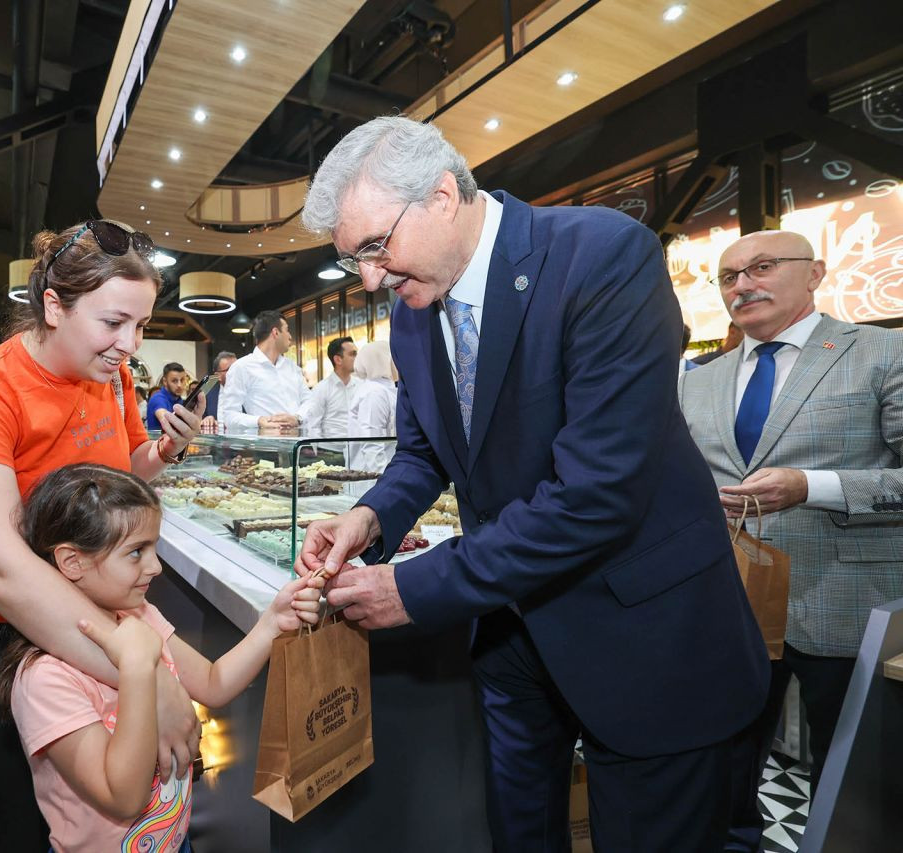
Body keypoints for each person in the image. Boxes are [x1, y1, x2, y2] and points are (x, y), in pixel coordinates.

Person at [296, 116, 769, 852]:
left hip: (645, 634)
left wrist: (411, 588)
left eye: (374, 246)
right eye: (352, 258)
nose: (368, 277)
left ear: (443, 196)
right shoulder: (413, 314)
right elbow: (425, 455)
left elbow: (597, 492)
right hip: (514, 639)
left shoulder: (601, 256)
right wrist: (368, 518)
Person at [0, 220, 204, 850]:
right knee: (22, 822)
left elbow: (121, 473)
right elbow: (0, 569)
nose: (130, 344)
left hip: (87, 613)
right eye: (113, 323)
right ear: (53, 305)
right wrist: (147, 674)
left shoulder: (111, 376)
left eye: (140, 325)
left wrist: (162, 452)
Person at [679, 230, 903, 852]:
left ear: (815, 272)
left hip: (848, 601)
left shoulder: (882, 353)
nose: (742, 285)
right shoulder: (700, 380)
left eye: (763, 266)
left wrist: (815, 486)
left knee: (860, 787)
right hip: (730, 603)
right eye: (727, 277)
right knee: (724, 768)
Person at [0, 463, 315, 853]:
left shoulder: (138, 615)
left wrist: (271, 624)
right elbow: (122, 797)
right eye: (136, 553)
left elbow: (213, 683)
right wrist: (137, 670)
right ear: (71, 561)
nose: (156, 567)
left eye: (154, 548)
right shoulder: (45, 678)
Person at [216, 310, 311, 432]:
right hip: (265, 445)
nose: (290, 336)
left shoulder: (292, 367)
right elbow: (229, 416)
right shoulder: (242, 367)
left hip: (300, 444)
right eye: (287, 330)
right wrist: (259, 421)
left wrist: (297, 418)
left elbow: (310, 401)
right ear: (275, 332)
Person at [346, 340, 396, 472]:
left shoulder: (385, 389)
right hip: (370, 478)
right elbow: (372, 445)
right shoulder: (374, 393)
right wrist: (384, 480)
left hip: (387, 472)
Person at [298, 336, 360, 437]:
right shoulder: (321, 389)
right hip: (330, 450)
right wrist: (319, 452)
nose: (357, 358)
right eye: (353, 354)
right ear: (338, 360)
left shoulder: (361, 386)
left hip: (357, 450)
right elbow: (313, 426)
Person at [144, 362, 188, 430]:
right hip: (158, 440)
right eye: (174, 381)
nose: (179, 385)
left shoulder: (179, 400)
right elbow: (167, 422)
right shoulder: (157, 399)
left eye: (182, 380)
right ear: (165, 381)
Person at [198, 351, 235, 431]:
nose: (237, 372)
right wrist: (205, 420)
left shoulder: (249, 393)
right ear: (218, 376)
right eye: (231, 369)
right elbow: (196, 420)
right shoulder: (207, 394)